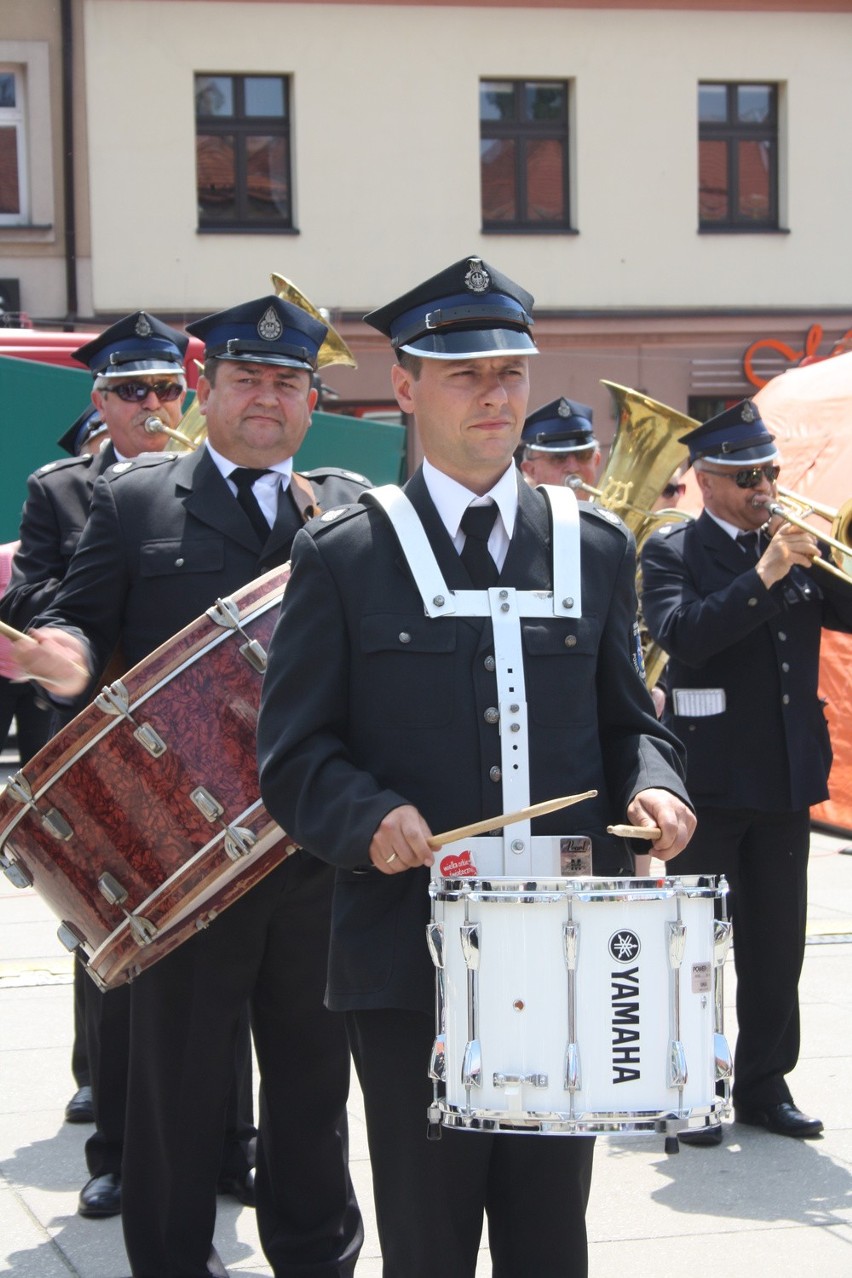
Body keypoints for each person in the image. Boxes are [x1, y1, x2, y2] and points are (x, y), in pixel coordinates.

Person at [256, 256, 696, 1278]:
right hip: (411, 962)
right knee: (429, 1240)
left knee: (551, 1238)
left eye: (510, 370)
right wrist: (365, 815)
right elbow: (293, 757)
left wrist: (657, 783)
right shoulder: (346, 553)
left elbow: (630, 722)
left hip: (566, 946)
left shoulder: (591, 544)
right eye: (466, 374)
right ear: (404, 388)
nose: (496, 392)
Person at [11, 293, 366, 1278]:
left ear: (310, 402)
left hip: (307, 850)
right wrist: (56, 660)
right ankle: (169, 1259)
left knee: (310, 1085)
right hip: (176, 857)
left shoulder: (347, 505)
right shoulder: (135, 502)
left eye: (288, 383)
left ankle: (315, 1256)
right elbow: (84, 632)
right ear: (207, 390)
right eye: (247, 378)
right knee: (174, 1088)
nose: (267, 399)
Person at [0, 315, 255, 1219]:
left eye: (165, 391)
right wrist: (88, 619)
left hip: (209, 745)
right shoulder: (64, 490)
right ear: (98, 402)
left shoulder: (221, 488)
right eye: (130, 393)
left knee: (229, 940)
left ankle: (236, 1142)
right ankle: (115, 1143)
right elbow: (35, 595)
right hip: (103, 749)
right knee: (120, 956)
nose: (151, 408)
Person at [641, 399, 852, 1146]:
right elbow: (684, 635)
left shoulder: (796, 544)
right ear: (705, 479)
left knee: (776, 945)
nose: (763, 487)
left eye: (769, 472)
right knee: (697, 945)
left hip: (787, 776)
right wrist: (764, 573)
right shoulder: (673, 551)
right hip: (710, 781)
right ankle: (693, 1085)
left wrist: (820, 554)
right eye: (745, 476)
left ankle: (765, 1083)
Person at [518, 395, 601, 496]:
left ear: (596, 460)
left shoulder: (607, 511)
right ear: (531, 470)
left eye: (583, 455)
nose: (573, 468)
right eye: (558, 457)